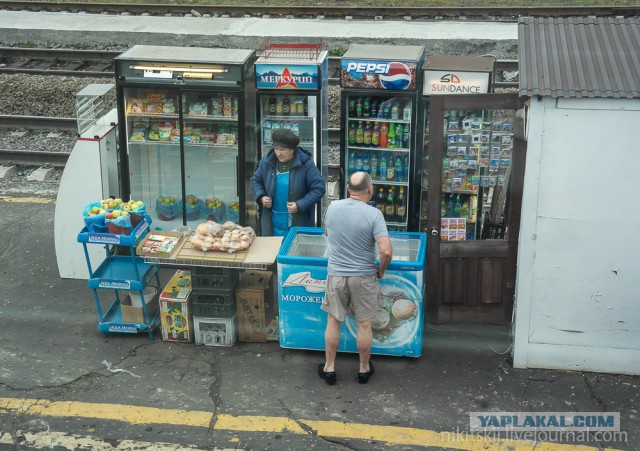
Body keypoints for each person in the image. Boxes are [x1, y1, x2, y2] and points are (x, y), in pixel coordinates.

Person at [319, 171, 393, 385]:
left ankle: (329, 368)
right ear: (370, 189)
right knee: (364, 324)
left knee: (333, 320)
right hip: (364, 276)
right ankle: (363, 369)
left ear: (348, 190)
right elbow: (386, 251)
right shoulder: (374, 215)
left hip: (337, 274)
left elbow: (327, 233)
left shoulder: (332, 208)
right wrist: (381, 270)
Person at [251, 128, 325, 237]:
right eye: (276, 149)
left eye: (282, 149)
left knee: (294, 250)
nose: (278, 153)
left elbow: (319, 189)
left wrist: (299, 205)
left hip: (298, 221)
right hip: (272, 221)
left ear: (292, 149)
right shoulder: (266, 162)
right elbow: (256, 181)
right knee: (273, 251)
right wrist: (261, 197)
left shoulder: (306, 164)